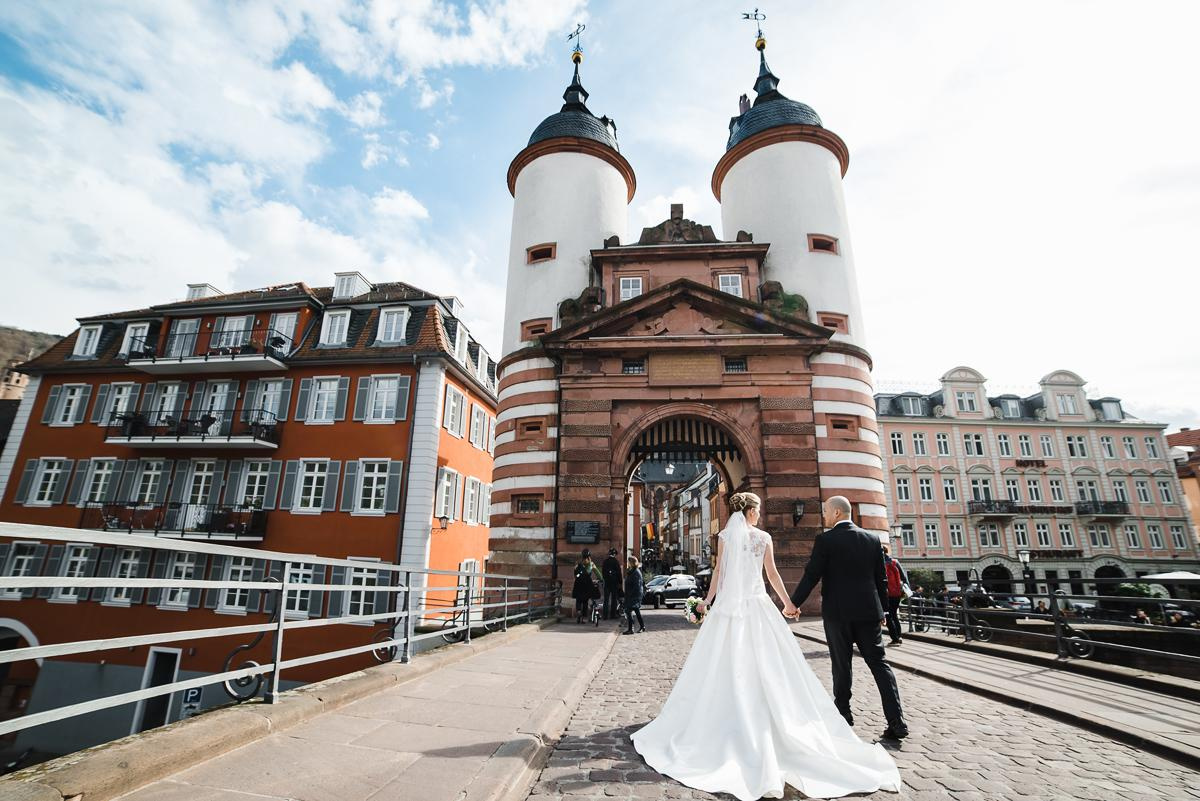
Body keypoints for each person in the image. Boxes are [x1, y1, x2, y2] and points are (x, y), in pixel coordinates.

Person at [632, 492, 900, 801]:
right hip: (758, 609)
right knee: (771, 666)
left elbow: (719, 573)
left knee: (722, 664)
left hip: (729, 612)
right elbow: (771, 574)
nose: (760, 514)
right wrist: (789, 604)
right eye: (758, 509)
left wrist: (707, 601)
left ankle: (720, 715)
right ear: (749, 510)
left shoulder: (725, 538)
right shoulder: (762, 538)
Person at [789, 496, 909, 742]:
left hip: (838, 613)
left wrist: (793, 604)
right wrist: (884, 612)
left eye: (825, 511)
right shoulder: (872, 539)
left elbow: (812, 575)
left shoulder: (826, 540)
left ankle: (843, 717)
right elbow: (881, 580)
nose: (823, 515)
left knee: (842, 665)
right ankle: (897, 721)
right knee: (880, 666)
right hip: (869, 612)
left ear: (835, 513)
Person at [881, 544, 908, 645]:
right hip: (897, 593)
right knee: (894, 615)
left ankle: (895, 638)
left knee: (888, 615)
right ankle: (899, 636)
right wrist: (905, 591)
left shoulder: (880, 563)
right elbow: (904, 578)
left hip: (886, 594)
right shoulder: (895, 562)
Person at [571, 550, 602, 623]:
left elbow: (575, 575)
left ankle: (578, 611)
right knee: (585, 600)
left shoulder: (578, 564)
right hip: (587, 584)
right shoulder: (591, 564)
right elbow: (599, 575)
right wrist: (600, 579)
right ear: (589, 556)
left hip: (578, 584)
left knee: (578, 599)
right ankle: (583, 617)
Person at [623, 555, 645, 635]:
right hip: (632, 594)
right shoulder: (632, 570)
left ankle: (631, 629)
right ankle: (642, 626)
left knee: (628, 611)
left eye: (628, 562)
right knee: (636, 611)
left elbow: (637, 585)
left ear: (631, 563)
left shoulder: (636, 572)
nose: (627, 563)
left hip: (634, 595)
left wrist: (630, 594)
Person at [601, 548, 623, 620]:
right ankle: (613, 615)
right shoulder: (616, 562)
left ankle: (605, 615)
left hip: (607, 583)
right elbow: (619, 573)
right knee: (614, 599)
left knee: (606, 600)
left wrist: (605, 579)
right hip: (614, 583)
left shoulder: (605, 561)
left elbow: (603, 572)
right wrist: (620, 583)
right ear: (614, 554)